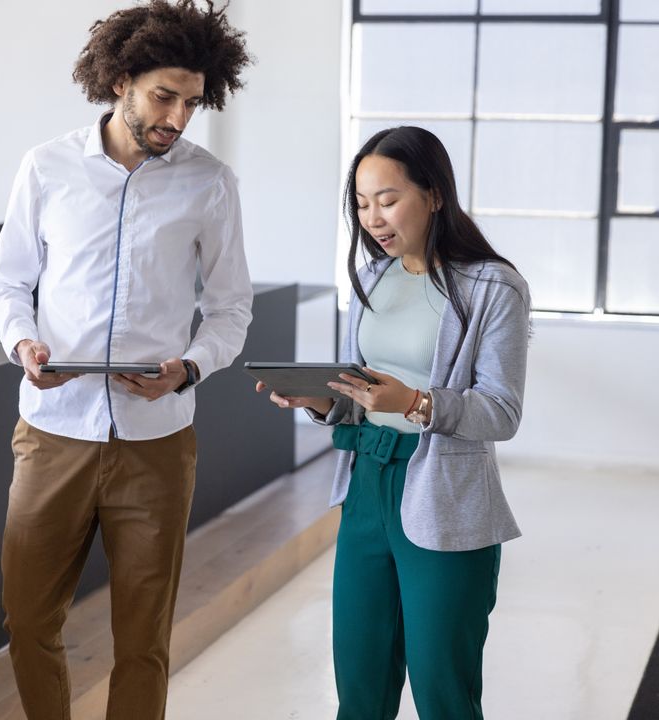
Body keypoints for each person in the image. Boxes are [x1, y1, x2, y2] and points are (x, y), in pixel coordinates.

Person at [0, 2, 253, 718]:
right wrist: (22, 343)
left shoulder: (210, 183)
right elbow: (6, 280)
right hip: (53, 433)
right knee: (29, 618)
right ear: (122, 80)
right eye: (165, 97)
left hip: (157, 444)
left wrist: (187, 369)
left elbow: (230, 310)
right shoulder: (47, 167)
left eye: (192, 103)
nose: (177, 118)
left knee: (143, 637)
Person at [258, 125, 530, 719]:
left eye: (387, 200)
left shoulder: (493, 286)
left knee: (442, 692)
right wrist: (322, 402)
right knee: (360, 684)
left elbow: (502, 412)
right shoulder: (372, 278)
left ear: (434, 195)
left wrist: (416, 403)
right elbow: (363, 391)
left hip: (445, 492)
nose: (373, 218)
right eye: (360, 204)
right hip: (365, 486)